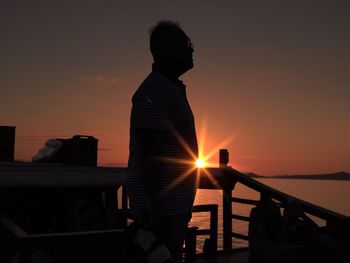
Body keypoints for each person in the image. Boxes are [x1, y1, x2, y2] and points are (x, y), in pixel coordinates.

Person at [127, 20, 198, 262]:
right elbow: (148, 148)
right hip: (163, 210)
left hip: (171, 206)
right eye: (186, 44)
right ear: (165, 49)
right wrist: (153, 203)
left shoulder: (169, 88)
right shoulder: (155, 89)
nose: (192, 49)